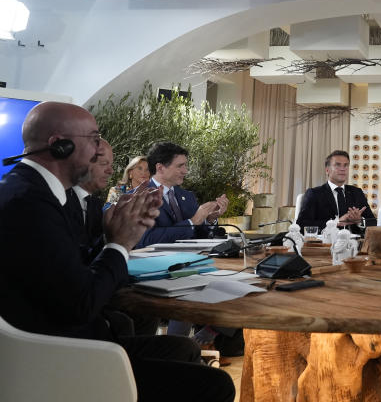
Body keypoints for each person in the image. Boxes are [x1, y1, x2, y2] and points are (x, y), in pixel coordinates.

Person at [0, 101, 234, 402]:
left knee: (181, 348)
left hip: (72, 340)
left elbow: (71, 270)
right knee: (216, 385)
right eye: (94, 139)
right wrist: (119, 244)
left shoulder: (39, 193)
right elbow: (81, 303)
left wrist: (112, 236)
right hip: (56, 358)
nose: (101, 150)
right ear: (60, 146)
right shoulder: (29, 204)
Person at [136, 141, 228, 247]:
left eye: (185, 165)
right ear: (160, 168)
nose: (185, 171)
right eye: (180, 166)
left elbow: (200, 236)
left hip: (194, 260)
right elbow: (146, 240)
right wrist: (192, 222)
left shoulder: (188, 196)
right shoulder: (138, 197)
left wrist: (209, 220)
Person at [297, 149, 376, 235]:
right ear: (327, 170)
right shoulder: (315, 193)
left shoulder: (357, 192)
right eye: (337, 165)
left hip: (355, 243)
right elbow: (301, 225)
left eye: (346, 165)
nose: (343, 169)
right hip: (326, 243)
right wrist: (337, 222)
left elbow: (373, 223)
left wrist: (359, 221)